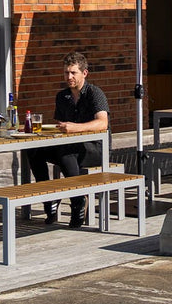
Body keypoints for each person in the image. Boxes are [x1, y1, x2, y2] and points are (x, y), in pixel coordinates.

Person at [25, 51, 110, 228]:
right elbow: (61, 126)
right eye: (66, 73)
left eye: (73, 73)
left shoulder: (95, 93)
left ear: (84, 73)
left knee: (65, 151)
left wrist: (75, 127)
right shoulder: (62, 96)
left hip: (95, 148)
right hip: (69, 146)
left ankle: (78, 201)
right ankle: (49, 197)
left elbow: (103, 123)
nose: (69, 77)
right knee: (33, 150)